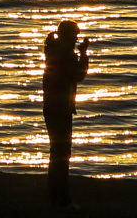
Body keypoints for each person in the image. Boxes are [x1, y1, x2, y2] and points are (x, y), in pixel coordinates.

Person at [42, 19, 89, 207]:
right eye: (75, 35)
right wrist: (84, 54)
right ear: (69, 35)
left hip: (51, 106)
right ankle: (62, 199)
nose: (76, 39)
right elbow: (78, 74)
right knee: (62, 154)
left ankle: (55, 196)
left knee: (56, 152)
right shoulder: (65, 53)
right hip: (60, 108)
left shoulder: (52, 50)